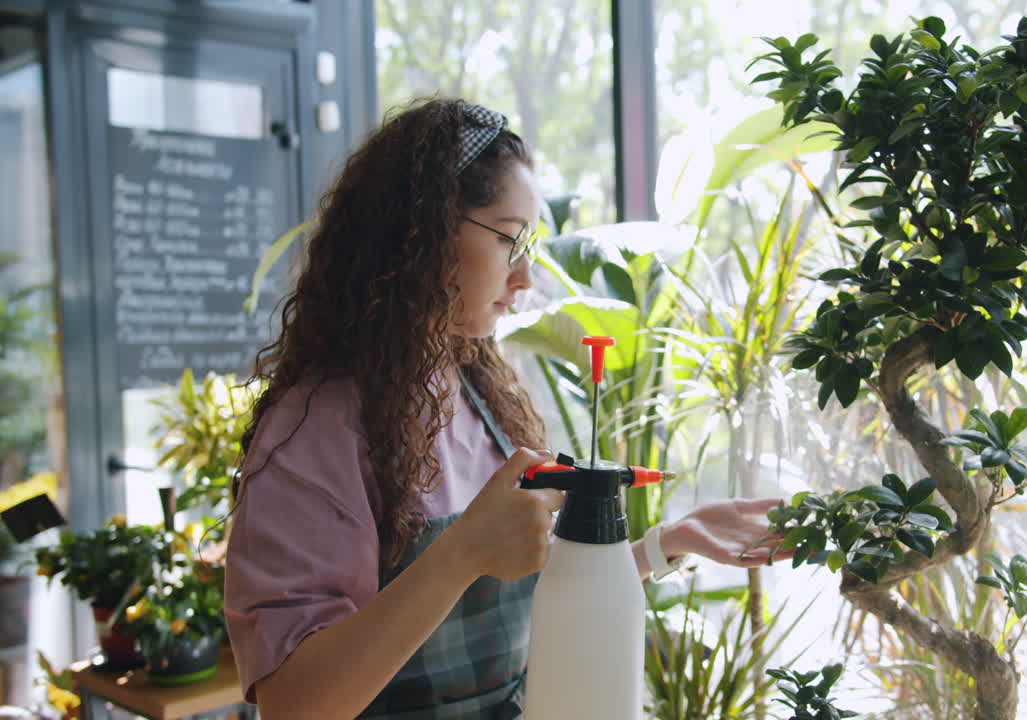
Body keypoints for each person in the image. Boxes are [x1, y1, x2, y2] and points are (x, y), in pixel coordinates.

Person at [224, 98, 788, 720]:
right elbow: (294, 704)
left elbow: (516, 609)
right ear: (426, 231)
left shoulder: (478, 394)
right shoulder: (315, 431)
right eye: (510, 238)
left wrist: (666, 545)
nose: (524, 275)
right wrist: (460, 553)